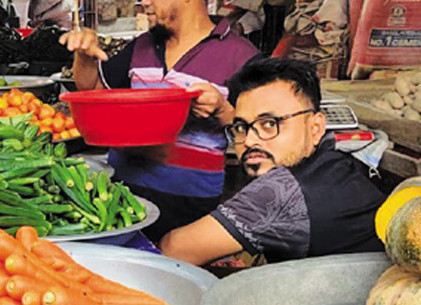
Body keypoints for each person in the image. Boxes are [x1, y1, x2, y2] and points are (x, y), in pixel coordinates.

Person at [61, 0, 261, 242]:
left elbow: (258, 135)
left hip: (189, 207)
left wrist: (223, 110)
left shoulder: (242, 57)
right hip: (121, 198)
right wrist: (84, 56)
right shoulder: (142, 46)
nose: (144, 1)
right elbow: (93, 90)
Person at [161, 58, 385, 265]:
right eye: (241, 127)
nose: (248, 140)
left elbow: (174, 249)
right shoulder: (331, 162)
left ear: (315, 127)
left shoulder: (280, 191)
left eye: (269, 123)